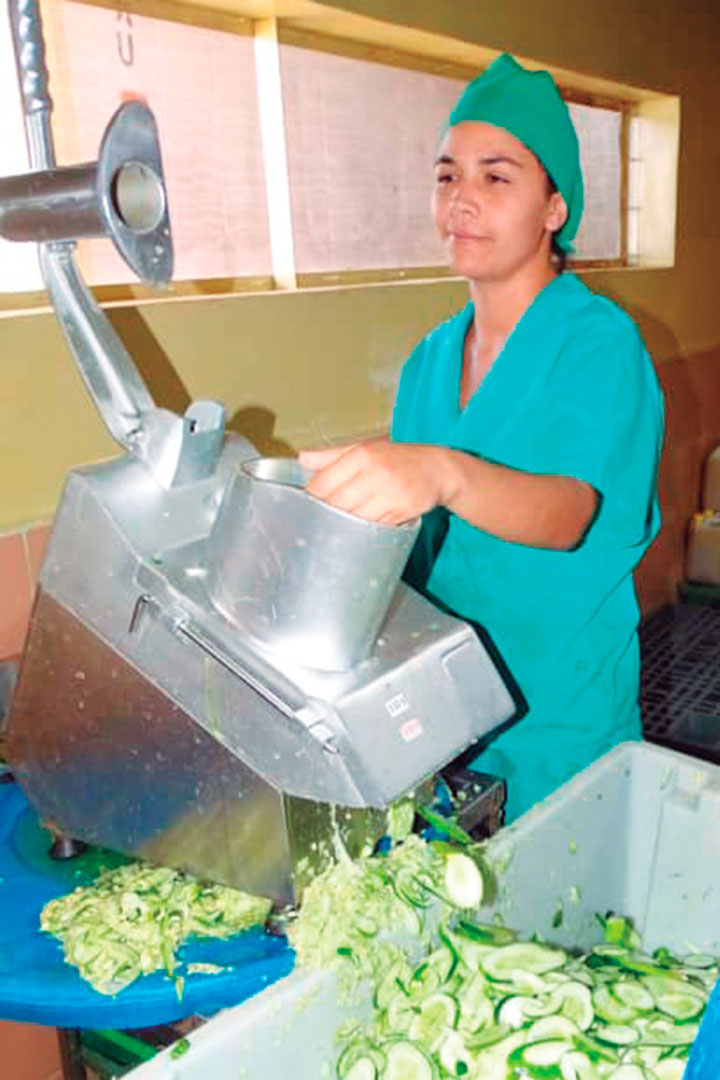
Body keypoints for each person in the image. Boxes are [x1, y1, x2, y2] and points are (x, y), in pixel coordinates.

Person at [299, 53, 664, 823]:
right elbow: (421, 546)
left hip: (558, 727)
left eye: (496, 177)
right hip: (444, 724)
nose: (463, 199)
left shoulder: (598, 345)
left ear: (554, 208)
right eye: (447, 176)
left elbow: (568, 514)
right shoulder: (430, 360)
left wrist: (442, 472)